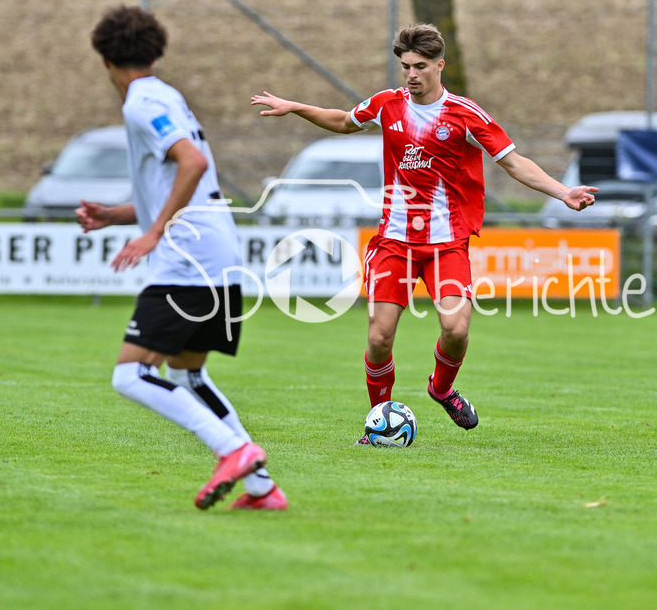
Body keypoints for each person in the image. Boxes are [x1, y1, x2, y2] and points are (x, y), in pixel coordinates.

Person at [250, 23, 597, 442]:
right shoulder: (387, 105)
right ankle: (377, 423)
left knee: (456, 329)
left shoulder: (465, 114)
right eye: (406, 67)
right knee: (379, 337)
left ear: (439, 66)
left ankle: (442, 389)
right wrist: (295, 107)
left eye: (420, 66)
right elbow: (343, 121)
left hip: (447, 243)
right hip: (394, 242)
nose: (411, 74)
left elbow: (513, 162)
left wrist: (563, 193)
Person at [80, 4, 286, 510]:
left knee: (130, 375)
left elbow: (191, 163)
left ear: (105, 59)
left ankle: (233, 451)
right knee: (186, 374)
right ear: (154, 52)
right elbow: (185, 181)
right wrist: (116, 215)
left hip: (187, 254)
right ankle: (262, 489)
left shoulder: (140, 103)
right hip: (215, 246)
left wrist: (153, 232)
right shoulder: (167, 95)